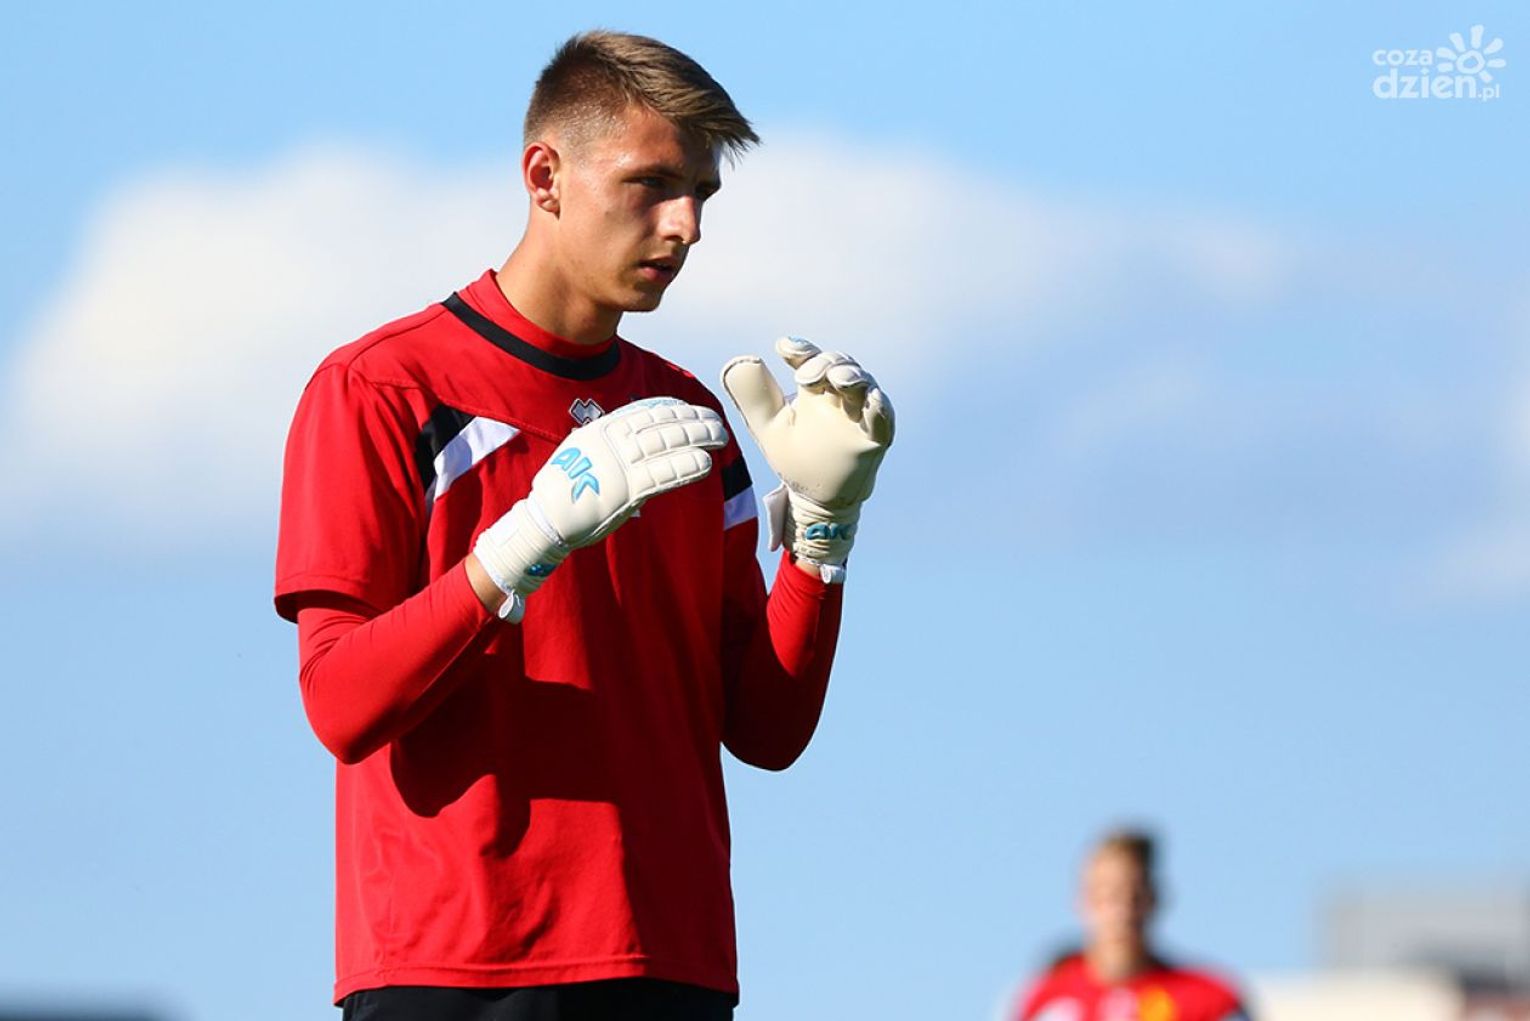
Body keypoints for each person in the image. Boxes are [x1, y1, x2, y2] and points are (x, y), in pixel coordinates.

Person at [272, 30, 893, 1021]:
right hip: (454, 967)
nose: (686, 225)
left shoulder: (690, 417)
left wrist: (823, 531)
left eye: (702, 194)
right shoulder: (380, 388)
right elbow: (340, 702)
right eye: (652, 184)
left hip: (672, 961)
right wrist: (520, 548)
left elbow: (766, 729)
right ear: (545, 176)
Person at [1012, 829, 1251, 1021]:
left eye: (1134, 896)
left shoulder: (1208, 1001)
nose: (1122, 912)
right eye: (1107, 896)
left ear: (1155, 899)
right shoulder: (1048, 1001)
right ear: (1081, 900)